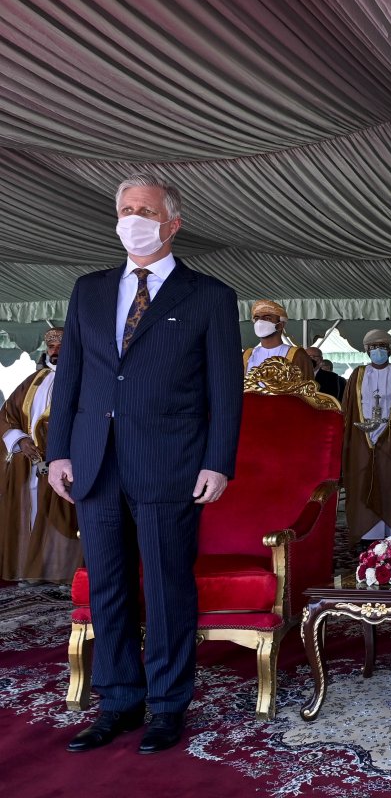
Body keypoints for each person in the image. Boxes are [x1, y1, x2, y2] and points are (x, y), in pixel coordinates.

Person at [45, 174, 242, 754]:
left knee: (166, 586)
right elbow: (72, 378)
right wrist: (59, 451)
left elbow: (224, 392)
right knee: (106, 588)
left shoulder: (208, 295)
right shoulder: (89, 290)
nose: (133, 217)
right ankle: (118, 701)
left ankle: (167, 705)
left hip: (170, 465)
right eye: (125, 209)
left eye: (145, 210)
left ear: (172, 223)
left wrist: (218, 462)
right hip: (95, 465)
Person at [0, 327, 80, 583]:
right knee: (31, 514)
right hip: (30, 466)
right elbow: (6, 416)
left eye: (60, 347)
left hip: (68, 463)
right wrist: (20, 441)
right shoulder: (34, 381)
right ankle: (28, 571)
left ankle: (61, 576)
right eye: (51, 348)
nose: (55, 352)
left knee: (63, 519)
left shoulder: (84, 378)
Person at [341, 330, 391, 547]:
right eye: (373, 347)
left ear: (389, 349)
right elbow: (348, 412)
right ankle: (367, 535)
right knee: (363, 482)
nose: (378, 351)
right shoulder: (358, 374)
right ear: (367, 350)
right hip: (363, 441)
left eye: (382, 346)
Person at [242, 300, 313, 379]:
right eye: (257, 318)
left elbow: (307, 388)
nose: (260, 322)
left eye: (267, 318)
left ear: (280, 325)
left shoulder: (297, 355)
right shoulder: (247, 355)